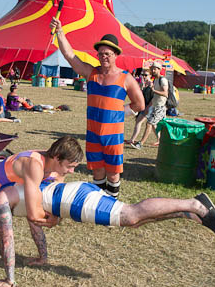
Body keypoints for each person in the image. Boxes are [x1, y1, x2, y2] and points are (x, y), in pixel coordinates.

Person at [0, 181, 215, 287]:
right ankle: (189, 215)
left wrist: (9, 279)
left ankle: (194, 204)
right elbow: (35, 225)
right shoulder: (16, 198)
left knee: (130, 214)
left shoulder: (5, 198)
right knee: (133, 223)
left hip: (71, 200)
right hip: (70, 198)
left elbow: (7, 239)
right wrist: (42, 257)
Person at [51, 17, 144, 198]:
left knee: (113, 172)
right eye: (100, 53)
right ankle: (98, 203)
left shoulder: (126, 78)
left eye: (107, 53)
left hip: (114, 135)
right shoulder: (91, 73)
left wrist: (119, 112)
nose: (103, 57)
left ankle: (112, 203)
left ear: (116, 54)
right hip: (93, 133)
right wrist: (60, 32)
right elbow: (70, 56)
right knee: (97, 171)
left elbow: (139, 104)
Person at [135, 61, 168, 149]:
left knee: (149, 124)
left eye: (155, 69)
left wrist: (154, 91)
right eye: (152, 68)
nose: (153, 70)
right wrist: (149, 107)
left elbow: (165, 93)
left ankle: (140, 143)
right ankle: (161, 141)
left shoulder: (163, 80)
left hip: (160, 107)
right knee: (154, 125)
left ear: (159, 70)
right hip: (155, 106)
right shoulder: (156, 80)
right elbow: (155, 97)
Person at [128, 70, 154, 148]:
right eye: (142, 75)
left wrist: (148, 108)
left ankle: (132, 139)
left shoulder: (152, 85)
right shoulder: (143, 84)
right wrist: (141, 86)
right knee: (154, 125)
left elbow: (153, 99)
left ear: (150, 76)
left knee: (139, 121)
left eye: (145, 75)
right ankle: (159, 139)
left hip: (150, 107)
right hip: (144, 106)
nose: (143, 76)